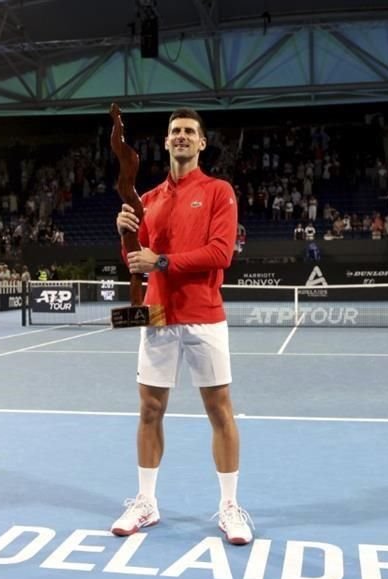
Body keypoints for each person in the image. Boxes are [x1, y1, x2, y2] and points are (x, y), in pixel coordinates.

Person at [112, 107, 252, 545]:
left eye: (190, 131)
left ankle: (229, 506)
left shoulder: (218, 191)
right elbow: (137, 263)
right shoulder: (147, 199)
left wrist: (163, 261)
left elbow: (220, 254)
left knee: (219, 411)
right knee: (150, 410)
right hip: (156, 315)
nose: (182, 137)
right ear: (167, 141)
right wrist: (126, 235)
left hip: (204, 315)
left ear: (202, 142)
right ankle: (146, 501)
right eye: (175, 131)